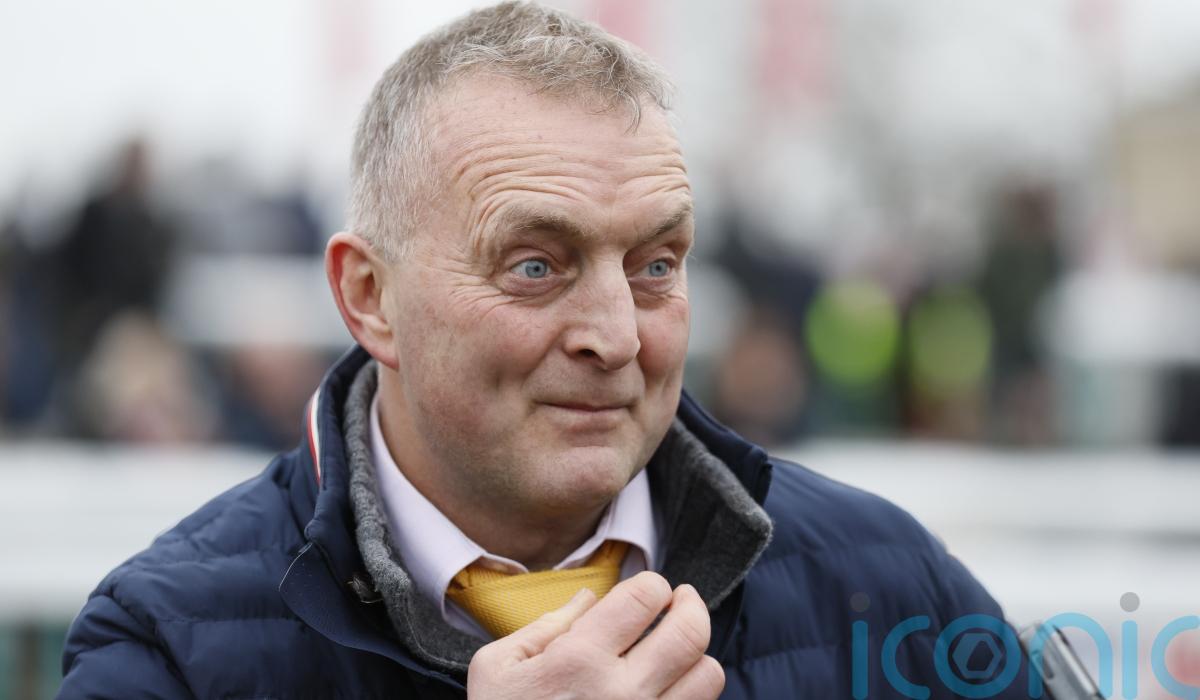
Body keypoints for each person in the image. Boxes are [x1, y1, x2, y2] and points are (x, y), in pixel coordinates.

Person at [59, 3, 1029, 697]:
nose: (616, 336)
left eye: (656, 265)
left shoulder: (885, 584)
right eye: (534, 265)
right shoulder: (167, 648)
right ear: (370, 297)